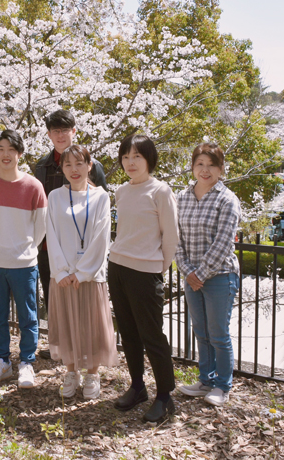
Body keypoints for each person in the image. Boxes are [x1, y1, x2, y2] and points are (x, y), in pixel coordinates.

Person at [108, 133, 179, 423]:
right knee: (128, 332)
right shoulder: (122, 191)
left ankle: (165, 396)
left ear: (149, 158)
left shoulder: (160, 191)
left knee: (152, 336)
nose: (130, 162)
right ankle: (137, 386)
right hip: (118, 267)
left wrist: (159, 267)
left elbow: (171, 235)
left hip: (146, 272)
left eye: (136, 156)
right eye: (125, 157)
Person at [46, 145, 117, 400]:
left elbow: (101, 237)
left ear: (89, 165)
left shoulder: (101, 197)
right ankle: (71, 371)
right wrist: (62, 271)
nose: (74, 170)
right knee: (67, 323)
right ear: (61, 169)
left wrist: (84, 271)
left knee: (91, 325)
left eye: (79, 164)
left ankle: (92, 373)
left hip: (90, 275)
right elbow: (50, 235)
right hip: (63, 276)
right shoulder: (54, 197)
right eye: (68, 165)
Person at [0, 129, 47, 389]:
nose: (6, 154)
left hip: (23, 264)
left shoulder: (33, 186)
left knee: (29, 316)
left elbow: (40, 227)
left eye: (11, 149)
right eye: (0, 149)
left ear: (19, 153)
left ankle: (27, 362)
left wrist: (25, 248)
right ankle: (3, 361)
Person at [34, 110, 107, 357]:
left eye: (65, 130)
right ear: (49, 135)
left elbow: (101, 204)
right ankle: (62, 346)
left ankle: (85, 351)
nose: (61, 135)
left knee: (86, 304)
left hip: (84, 247)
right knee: (55, 297)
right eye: (55, 131)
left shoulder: (92, 164)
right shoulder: (42, 166)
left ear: (74, 131)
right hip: (52, 246)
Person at [175, 142, 241, 407]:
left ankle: (222, 386)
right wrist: (187, 271)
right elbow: (175, 238)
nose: (205, 170)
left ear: (221, 169)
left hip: (219, 276)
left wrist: (199, 274)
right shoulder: (181, 197)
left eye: (211, 165)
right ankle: (205, 380)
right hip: (191, 275)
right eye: (200, 164)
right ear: (192, 167)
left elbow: (224, 242)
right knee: (201, 331)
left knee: (218, 333)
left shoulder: (227, 199)